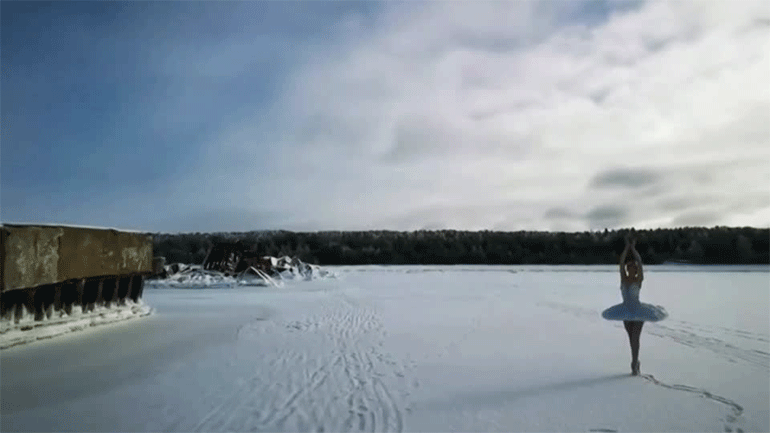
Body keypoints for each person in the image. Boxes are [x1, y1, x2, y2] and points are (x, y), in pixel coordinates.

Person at [602, 232, 668, 376]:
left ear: (636, 270)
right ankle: (635, 361)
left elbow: (639, 262)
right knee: (631, 336)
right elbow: (621, 264)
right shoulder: (624, 280)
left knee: (635, 337)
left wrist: (634, 249)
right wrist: (627, 248)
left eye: (633, 268)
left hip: (638, 311)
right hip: (625, 310)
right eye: (629, 267)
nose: (630, 269)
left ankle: (634, 362)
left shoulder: (639, 280)